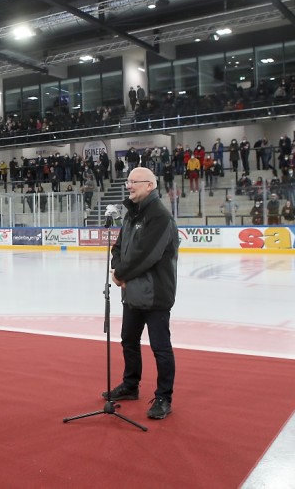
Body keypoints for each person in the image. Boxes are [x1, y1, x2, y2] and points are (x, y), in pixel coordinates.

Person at [103, 167, 179, 420]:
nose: (129, 186)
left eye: (134, 182)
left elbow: (147, 255)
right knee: (129, 340)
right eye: (128, 181)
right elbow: (119, 248)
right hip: (133, 293)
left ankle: (163, 397)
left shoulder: (159, 216)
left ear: (150, 186)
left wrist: (121, 274)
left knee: (160, 347)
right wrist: (117, 266)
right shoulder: (131, 216)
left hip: (156, 293)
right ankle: (130, 385)